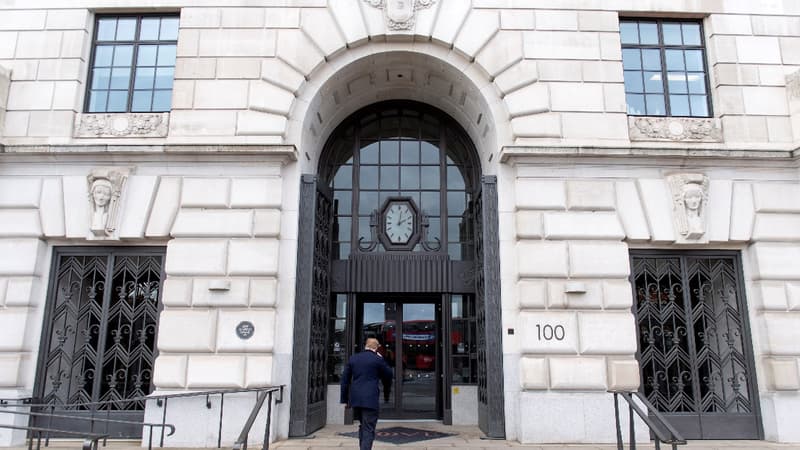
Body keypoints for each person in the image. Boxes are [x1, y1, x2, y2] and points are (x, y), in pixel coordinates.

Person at [340, 337, 394, 450]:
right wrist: (381, 359)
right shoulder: (377, 359)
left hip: (356, 399)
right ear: (376, 347)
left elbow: (345, 380)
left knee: (363, 426)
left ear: (366, 345)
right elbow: (389, 374)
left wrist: (344, 399)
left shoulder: (354, 358)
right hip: (370, 399)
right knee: (369, 428)